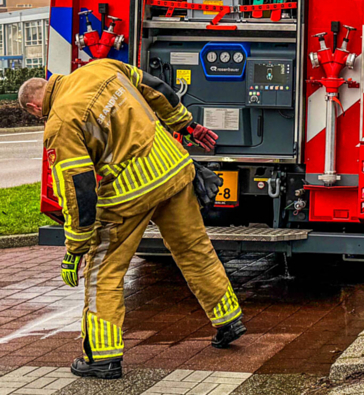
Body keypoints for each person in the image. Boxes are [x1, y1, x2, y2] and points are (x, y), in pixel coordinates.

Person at [19, 59, 246, 380]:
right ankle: (228, 320)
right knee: (194, 249)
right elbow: (156, 89)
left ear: (33, 105)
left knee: (104, 270)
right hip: (173, 167)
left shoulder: (59, 122)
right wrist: (186, 125)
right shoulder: (101, 67)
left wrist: (75, 247)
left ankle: (102, 357)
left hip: (130, 191)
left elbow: (78, 190)